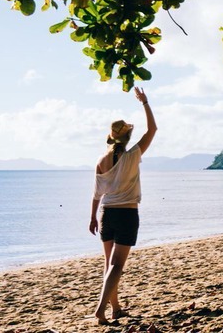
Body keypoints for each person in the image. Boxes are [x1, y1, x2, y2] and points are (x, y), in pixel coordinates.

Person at [89, 86, 156, 324]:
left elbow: (97, 192)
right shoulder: (133, 155)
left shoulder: (101, 160)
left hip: (106, 214)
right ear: (127, 137)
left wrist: (93, 217)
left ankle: (116, 308)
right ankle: (100, 309)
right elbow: (152, 129)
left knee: (109, 264)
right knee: (117, 266)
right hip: (127, 215)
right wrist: (145, 102)